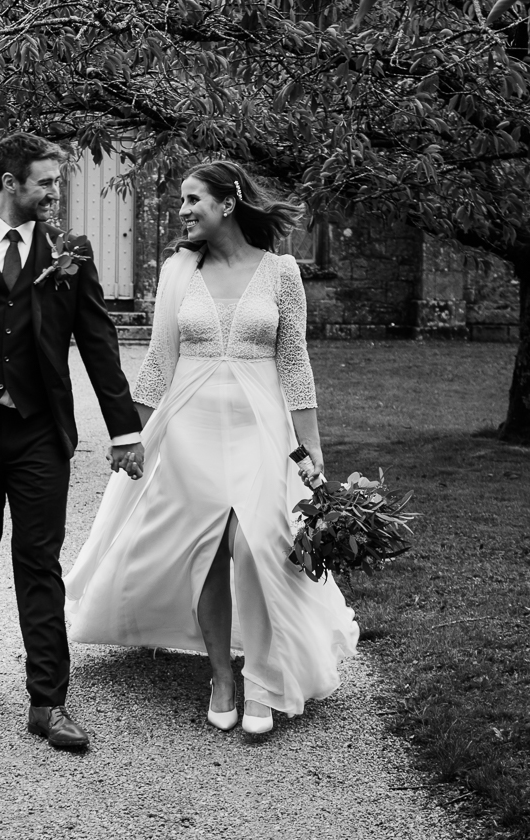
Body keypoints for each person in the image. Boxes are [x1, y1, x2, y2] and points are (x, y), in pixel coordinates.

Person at [65, 160, 358, 737]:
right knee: (206, 548)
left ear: (229, 203)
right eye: (181, 200)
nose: (183, 210)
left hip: (260, 427)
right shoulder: (178, 270)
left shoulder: (280, 273)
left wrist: (311, 446)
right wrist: (131, 434)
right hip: (190, 427)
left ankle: (265, 678)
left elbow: (295, 361)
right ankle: (222, 676)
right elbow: (158, 362)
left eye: (193, 198)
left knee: (253, 545)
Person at [0, 133, 146, 752]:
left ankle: (49, 700)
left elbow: (98, 340)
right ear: (10, 183)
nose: (53, 192)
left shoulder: (69, 252)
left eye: (54, 182)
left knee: (38, 561)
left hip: (39, 430)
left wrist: (124, 427)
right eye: (44, 182)